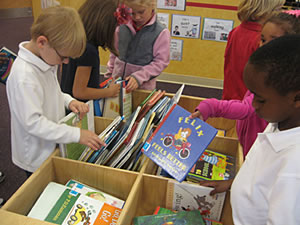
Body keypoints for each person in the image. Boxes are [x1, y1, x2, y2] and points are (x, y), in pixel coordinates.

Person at [200, 34, 300, 224]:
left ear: (296, 99)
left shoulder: (294, 169)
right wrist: (233, 184)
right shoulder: (280, 121)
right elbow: (260, 174)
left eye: (260, 99)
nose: (253, 105)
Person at [6, 6, 105, 177]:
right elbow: (34, 123)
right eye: (63, 57)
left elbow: (53, 92)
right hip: (35, 156)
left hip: (52, 143)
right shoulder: (25, 77)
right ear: (42, 42)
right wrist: (76, 134)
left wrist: (69, 101)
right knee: (40, 191)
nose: (65, 62)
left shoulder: (44, 59)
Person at [190, 12, 300, 158]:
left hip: (258, 145)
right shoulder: (263, 71)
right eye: (262, 39)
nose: (264, 46)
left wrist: (212, 106)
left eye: (272, 42)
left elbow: (246, 108)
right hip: (249, 139)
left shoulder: (277, 81)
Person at [222, 0, 285, 100]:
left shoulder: (236, 31)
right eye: (278, 9)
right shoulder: (262, 39)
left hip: (230, 99)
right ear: (267, 11)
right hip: (250, 105)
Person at [60, 0, 120, 101]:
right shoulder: (89, 50)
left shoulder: (74, 39)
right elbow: (79, 92)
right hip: (80, 109)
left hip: (67, 102)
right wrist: (109, 92)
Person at [105, 0, 171, 92]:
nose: (137, 17)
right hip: (117, 84)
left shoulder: (161, 32)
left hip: (142, 88)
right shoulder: (121, 25)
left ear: (152, 5)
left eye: (141, 12)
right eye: (132, 13)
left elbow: (160, 62)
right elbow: (114, 53)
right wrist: (110, 74)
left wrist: (139, 77)